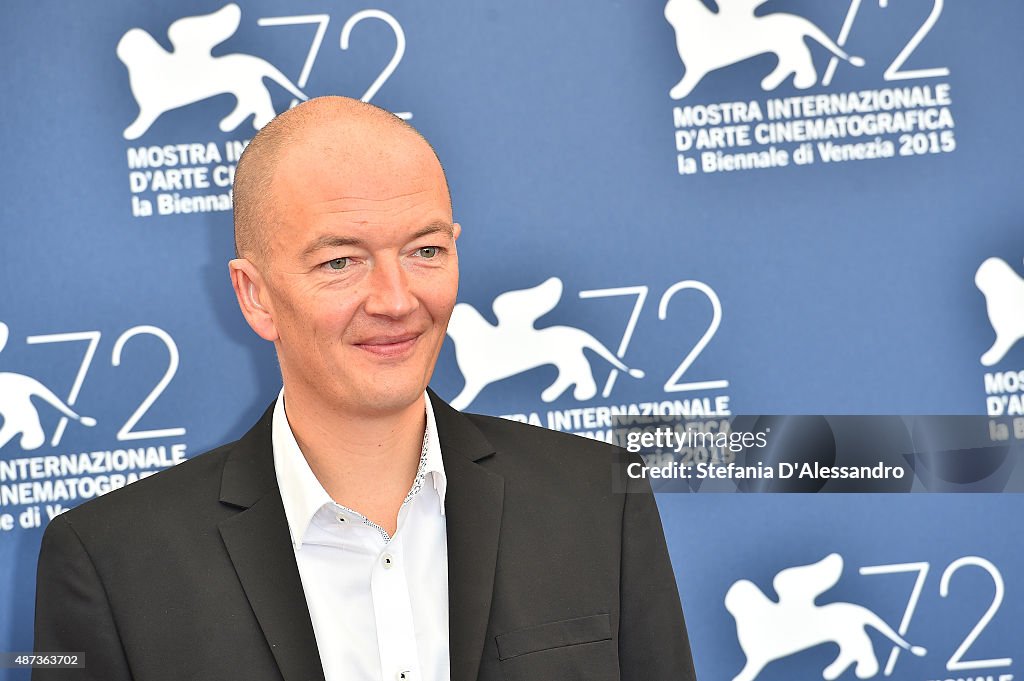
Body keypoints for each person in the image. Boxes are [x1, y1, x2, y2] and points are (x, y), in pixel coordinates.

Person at [33, 96, 696, 681]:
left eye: (426, 250)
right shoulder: (113, 562)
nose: (397, 299)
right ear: (255, 295)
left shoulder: (595, 499)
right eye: (341, 261)